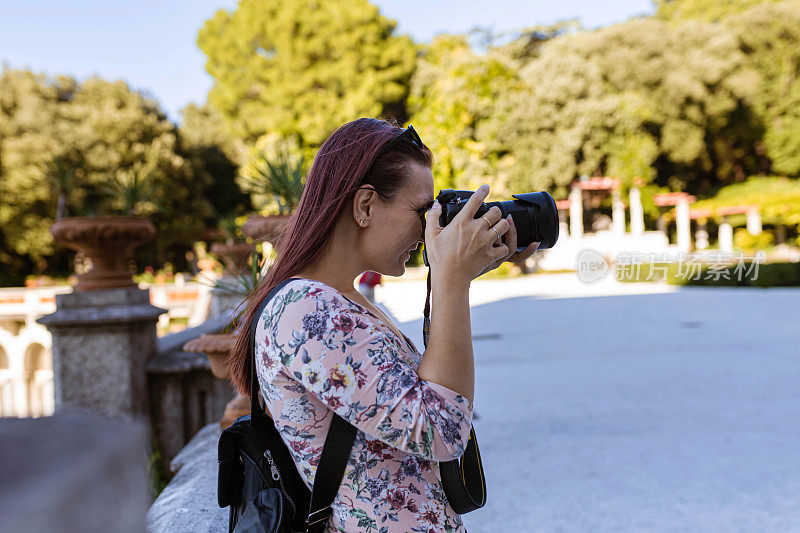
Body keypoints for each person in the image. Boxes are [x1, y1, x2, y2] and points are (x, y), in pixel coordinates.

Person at [227, 118, 540, 532]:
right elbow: (442, 431)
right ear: (365, 206)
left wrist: (465, 268)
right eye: (421, 211)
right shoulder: (307, 310)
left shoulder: (338, 302)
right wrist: (452, 280)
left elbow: (426, 387)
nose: (430, 228)